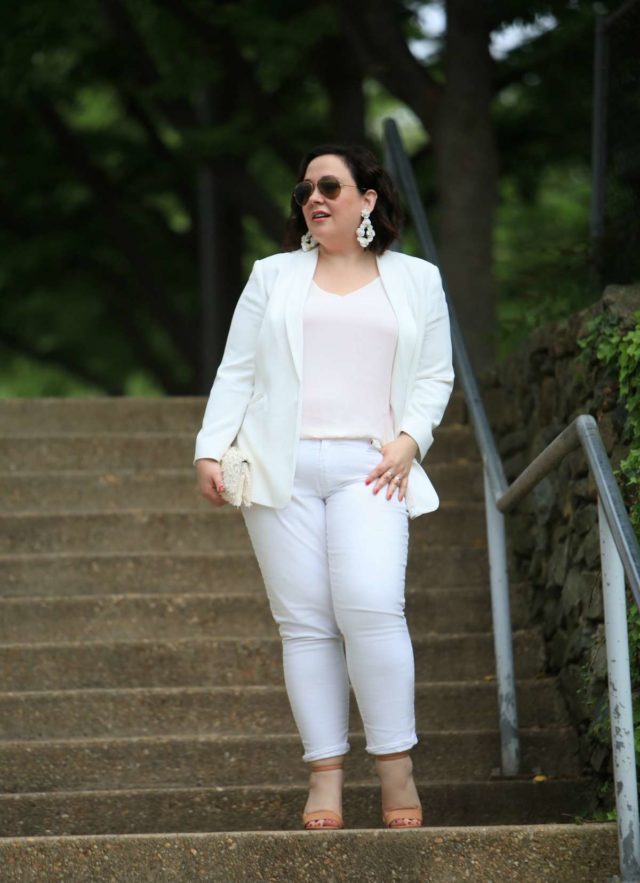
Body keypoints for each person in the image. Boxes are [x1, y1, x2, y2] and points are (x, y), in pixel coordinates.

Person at [194, 143, 455, 830]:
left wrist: (411, 438)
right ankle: (325, 776)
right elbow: (237, 369)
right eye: (305, 188)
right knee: (305, 623)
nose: (314, 197)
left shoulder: (418, 280)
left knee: (370, 604)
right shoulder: (272, 276)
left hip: (372, 467)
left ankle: (395, 764)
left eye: (331, 186)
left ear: (367, 200)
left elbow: (434, 375)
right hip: (279, 468)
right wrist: (210, 448)